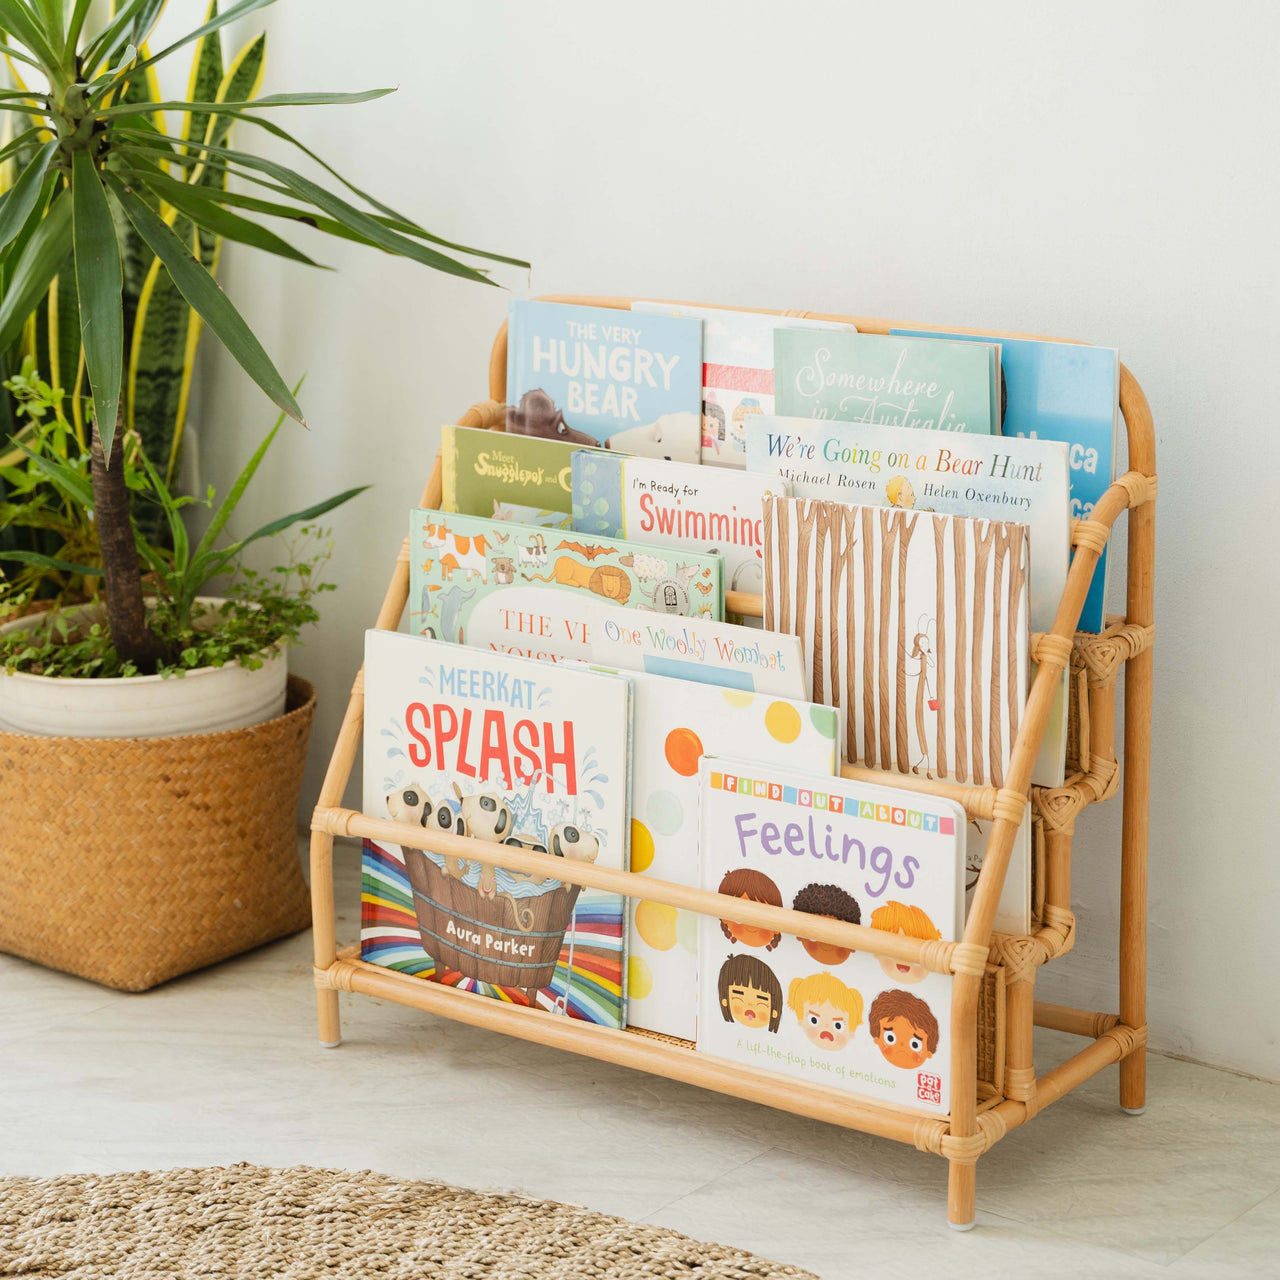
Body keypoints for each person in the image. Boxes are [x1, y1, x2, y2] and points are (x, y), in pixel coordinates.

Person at [786, 971, 864, 1051]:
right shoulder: (794, 1045)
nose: (826, 1027)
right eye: (813, 1020)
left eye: (838, 1025)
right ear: (801, 1020)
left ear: (851, 1032)